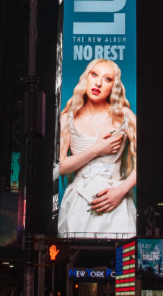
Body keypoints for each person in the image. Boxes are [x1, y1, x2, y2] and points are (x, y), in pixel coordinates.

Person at [57, 59, 138, 237]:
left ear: (114, 86)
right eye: (94, 75)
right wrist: (96, 149)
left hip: (116, 204)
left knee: (121, 260)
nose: (98, 83)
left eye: (107, 79)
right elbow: (58, 168)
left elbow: (148, 158)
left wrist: (121, 191)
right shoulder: (67, 119)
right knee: (77, 260)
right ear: (86, 77)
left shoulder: (125, 116)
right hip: (78, 204)